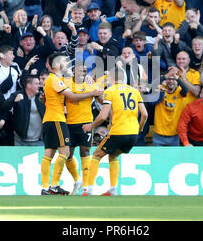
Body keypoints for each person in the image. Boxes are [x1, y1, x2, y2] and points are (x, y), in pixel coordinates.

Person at [40, 53, 101, 195]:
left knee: (50, 153)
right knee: (65, 153)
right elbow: (71, 96)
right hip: (58, 120)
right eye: (63, 61)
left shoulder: (58, 80)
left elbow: (48, 97)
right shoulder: (58, 80)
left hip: (61, 119)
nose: (66, 63)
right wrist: (92, 93)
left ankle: (47, 187)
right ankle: (54, 185)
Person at [81, 67, 148, 196]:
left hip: (118, 131)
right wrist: (139, 128)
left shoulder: (110, 91)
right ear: (124, 78)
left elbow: (102, 116)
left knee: (96, 155)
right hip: (133, 134)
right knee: (113, 156)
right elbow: (144, 114)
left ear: (111, 78)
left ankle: (88, 189)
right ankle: (113, 189)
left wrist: (90, 126)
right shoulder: (134, 91)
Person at [64, 64, 103, 195]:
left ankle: (86, 187)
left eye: (85, 71)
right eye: (81, 70)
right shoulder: (66, 82)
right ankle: (77, 180)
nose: (84, 72)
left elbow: (102, 101)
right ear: (74, 71)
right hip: (69, 123)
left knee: (85, 152)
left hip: (86, 123)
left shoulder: (91, 84)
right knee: (67, 155)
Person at [2, 75, 45, 146]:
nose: (39, 86)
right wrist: (13, 101)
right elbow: (4, 107)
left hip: (39, 140)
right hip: (20, 140)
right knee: (19, 157)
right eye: (36, 84)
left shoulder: (41, 96)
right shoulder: (17, 95)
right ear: (29, 85)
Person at [151, 68, 188, 146]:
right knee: (158, 158)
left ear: (177, 81)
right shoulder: (161, 89)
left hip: (174, 136)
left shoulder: (179, 92)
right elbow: (151, 85)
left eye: (174, 79)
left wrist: (177, 77)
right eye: (169, 79)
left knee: (173, 158)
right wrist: (166, 75)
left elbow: (186, 89)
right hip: (159, 135)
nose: (171, 81)